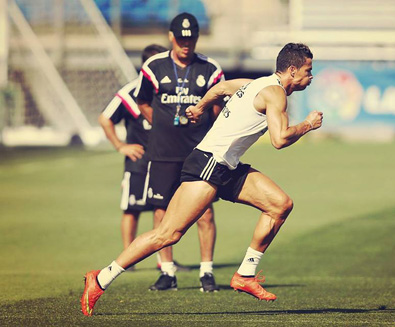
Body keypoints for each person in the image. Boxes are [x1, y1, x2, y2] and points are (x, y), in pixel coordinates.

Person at [81, 43, 323, 316]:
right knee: (167, 234)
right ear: (292, 71)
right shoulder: (275, 94)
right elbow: (279, 140)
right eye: (308, 70)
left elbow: (220, 89)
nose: (311, 76)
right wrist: (308, 125)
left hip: (225, 166)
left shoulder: (255, 83)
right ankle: (100, 279)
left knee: (280, 204)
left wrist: (199, 107)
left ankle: (245, 275)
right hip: (209, 163)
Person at [134, 12, 224, 292]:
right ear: (171, 37)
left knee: (205, 212)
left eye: (192, 38)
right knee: (161, 212)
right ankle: (167, 272)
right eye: (182, 38)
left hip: (197, 153)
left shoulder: (211, 68)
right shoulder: (154, 66)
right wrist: (160, 124)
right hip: (162, 152)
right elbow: (143, 102)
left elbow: (219, 110)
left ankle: (206, 272)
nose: (187, 43)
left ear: (197, 38)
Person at [98, 44, 167, 269]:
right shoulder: (130, 93)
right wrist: (120, 146)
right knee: (132, 208)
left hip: (165, 160)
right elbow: (105, 118)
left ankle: (163, 261)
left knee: (164, 210)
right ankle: (128, 259)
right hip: (138, 161)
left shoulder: (169, 90)